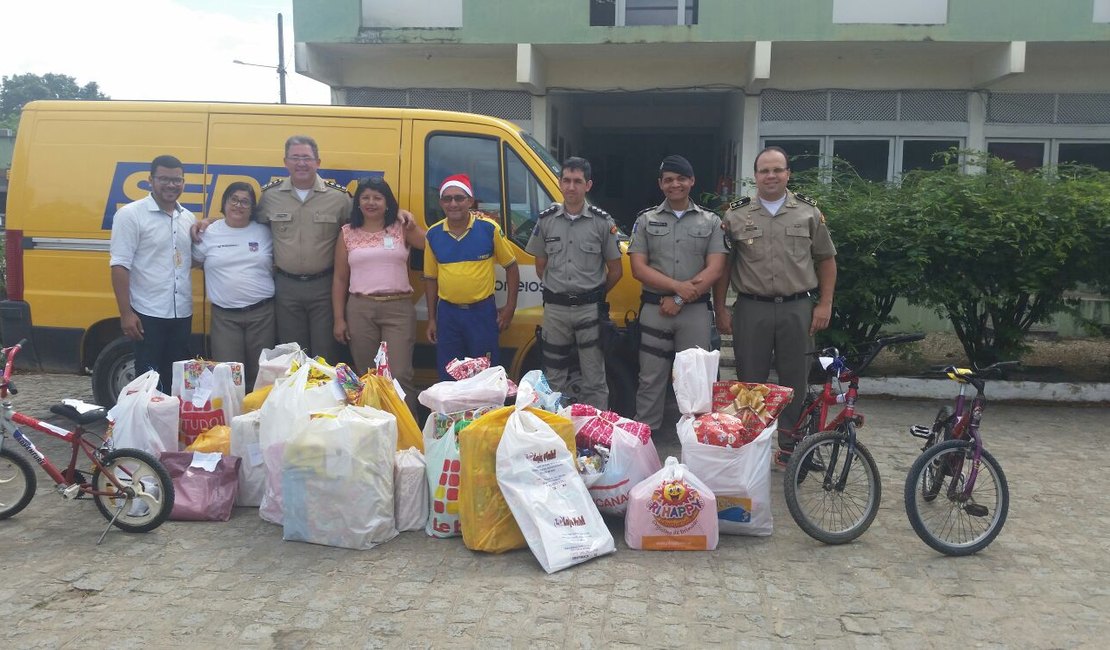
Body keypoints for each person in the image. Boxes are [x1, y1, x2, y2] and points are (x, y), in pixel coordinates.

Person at [713, 146, 838, 465]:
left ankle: (790, 449)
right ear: (755, 176)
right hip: (751, 309)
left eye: (777, 170)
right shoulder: (736, 215)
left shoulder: (808, 212)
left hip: (797, 308)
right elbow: (724, 266)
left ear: (788, 174)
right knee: (749, 381)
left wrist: (824, 304)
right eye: (764, 171)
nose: (771, 176)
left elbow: (826, 260)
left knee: (795, 380)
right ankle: (749, 448)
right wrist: (721, 308)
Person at [627, 155, 728, 433]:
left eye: (681, 178)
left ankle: (697, 439)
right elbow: (638, 267)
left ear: (692, 181)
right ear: (661, 184)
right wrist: (677, 288)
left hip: (693, 313)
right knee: (650, 378)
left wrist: (681, 298)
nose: (675, 185)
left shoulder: (710, 221)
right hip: (655, 309)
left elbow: (716, 268)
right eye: (668, 180)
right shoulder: (646, 220)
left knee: (696, 379)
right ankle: (644, 439)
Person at [525, 157, 622, 409]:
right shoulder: (546, 220)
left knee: (594, 378)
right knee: (553, 377)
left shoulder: (602, 222)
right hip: (555, 310)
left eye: (577, 181)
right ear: (559, 183)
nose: (571, 187)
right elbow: (540, 264)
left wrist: (594, 294)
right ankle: (555, 433)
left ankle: (594, 435)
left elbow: (615, 270)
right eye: (566, 180)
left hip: (590, 310)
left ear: (588, 185)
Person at [332, 176, 426, 416]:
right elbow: (340, 279)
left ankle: (407, 437)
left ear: (387, 202)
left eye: (377, 197)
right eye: (365, 197)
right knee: (367, 376)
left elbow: (429, 245)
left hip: (398, 309)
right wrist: (339, 319)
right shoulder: (347, 233)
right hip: (360, 309)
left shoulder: (399, 226)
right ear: (358, 203)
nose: (371, 202)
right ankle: (371, 431)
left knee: (399, 374)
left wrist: (409, 222)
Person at [254, 135, 352, 361]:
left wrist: (398, 214)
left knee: (325, 355)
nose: (301, 163)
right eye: (295, 158)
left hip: (325, 287)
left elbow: (363, 225)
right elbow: (245, 224)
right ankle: (295, 397)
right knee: (292, 354)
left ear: (318, 161)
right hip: (286, 287)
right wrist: (208, 222)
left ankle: (323, 397)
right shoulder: (270, 197)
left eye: (307, 158)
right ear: (285, 162)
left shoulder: (338, 197)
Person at [109, 154, 194, 393]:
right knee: (148, 380)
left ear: (183, 182)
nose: (171, 185)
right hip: (148, 314)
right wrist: (126, 313)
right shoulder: (131, 215)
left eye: (176, 179)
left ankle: (170, 426)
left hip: (181, 313)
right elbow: (119, 265)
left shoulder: (187, 218)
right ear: (150, 180)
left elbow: (191, 259)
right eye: (164, 179)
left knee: (177, 379)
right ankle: (144, 426)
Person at [424, 174, 519, 380]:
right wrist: (432, 319)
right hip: (448, 315)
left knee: (485, 377)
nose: (453, 203)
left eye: (459, 198)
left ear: (470, 201)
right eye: (447, 199)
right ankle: (452, 414)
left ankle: (486, 414)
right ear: (441, 203)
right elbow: (431, 279)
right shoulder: (433, 234)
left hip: (481, 314)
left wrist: (510, 308)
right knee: (450, 377)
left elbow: (511, 267)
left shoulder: (489, 229)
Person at [192, 182, 276, 389]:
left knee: (261, 375)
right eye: (234, 200)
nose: (239, 205)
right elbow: (192, 261)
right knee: (228, 375)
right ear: (225, 202)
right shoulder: (209, 232)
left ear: (252, 207)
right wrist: (206, 222)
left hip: (262, 314)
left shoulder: (264, 232)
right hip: (225, 318)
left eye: (245, 202)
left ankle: (258, 418)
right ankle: (232, 419)